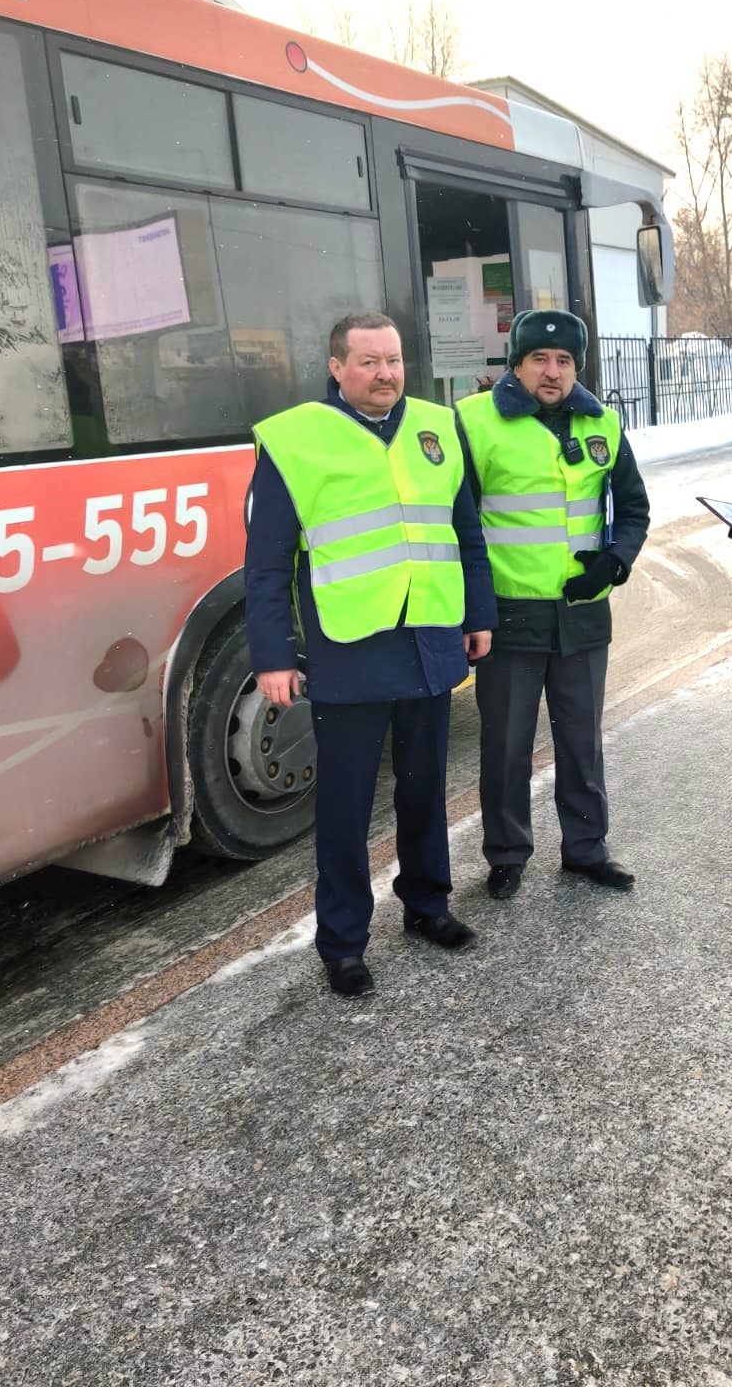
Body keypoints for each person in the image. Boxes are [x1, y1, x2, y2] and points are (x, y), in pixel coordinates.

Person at [245, 313, 497, 997]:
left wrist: (479, 616)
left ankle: (428, 906)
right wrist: (272, 655)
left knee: (423, 790)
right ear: (336, 367)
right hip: (348, 646)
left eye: (392, 360)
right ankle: (344, 942)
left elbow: (464, 533)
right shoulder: (294, 440)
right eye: (367, 362)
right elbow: (266, 564)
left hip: (430, 638)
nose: (385, 373)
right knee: (346, 806)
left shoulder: (438, 427)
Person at [455, 309, 650, 900]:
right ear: (515, 363)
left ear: (576, 367)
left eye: (564, 360)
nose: (552, 371)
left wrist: (615, 562)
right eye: (539, 358)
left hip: (582, 616)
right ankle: (507, 854)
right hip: (510, 616)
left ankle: (586, 850)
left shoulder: (604, 425)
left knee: (582, 741)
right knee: (507, 746)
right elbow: (459, 522)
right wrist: (474, 609)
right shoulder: (476, 422)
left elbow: (634, 509)